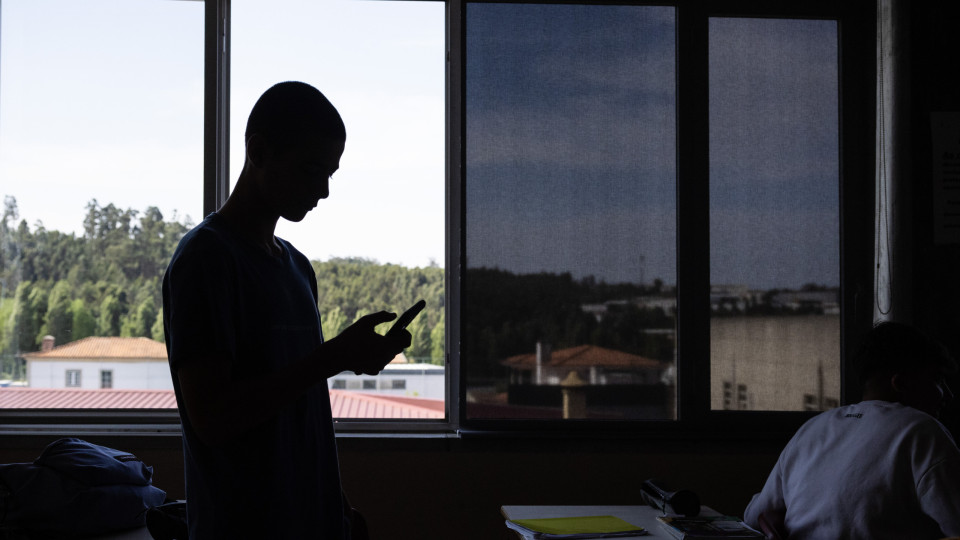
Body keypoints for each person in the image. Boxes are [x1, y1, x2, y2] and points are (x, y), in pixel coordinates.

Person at [162, 81, 410, 539]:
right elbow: (212, 419)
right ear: (258, 152)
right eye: (312, 169)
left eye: (331, 173)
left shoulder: (297, 267)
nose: (324, 189)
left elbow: (301, 407)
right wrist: (333, 357)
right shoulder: (206, 260)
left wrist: (339, 507)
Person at [743, 321, 960, 540]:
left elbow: (753, 516)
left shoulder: (813, 428)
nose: (947, 395)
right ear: (900, 383)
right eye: (938, 381)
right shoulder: (923, 432)